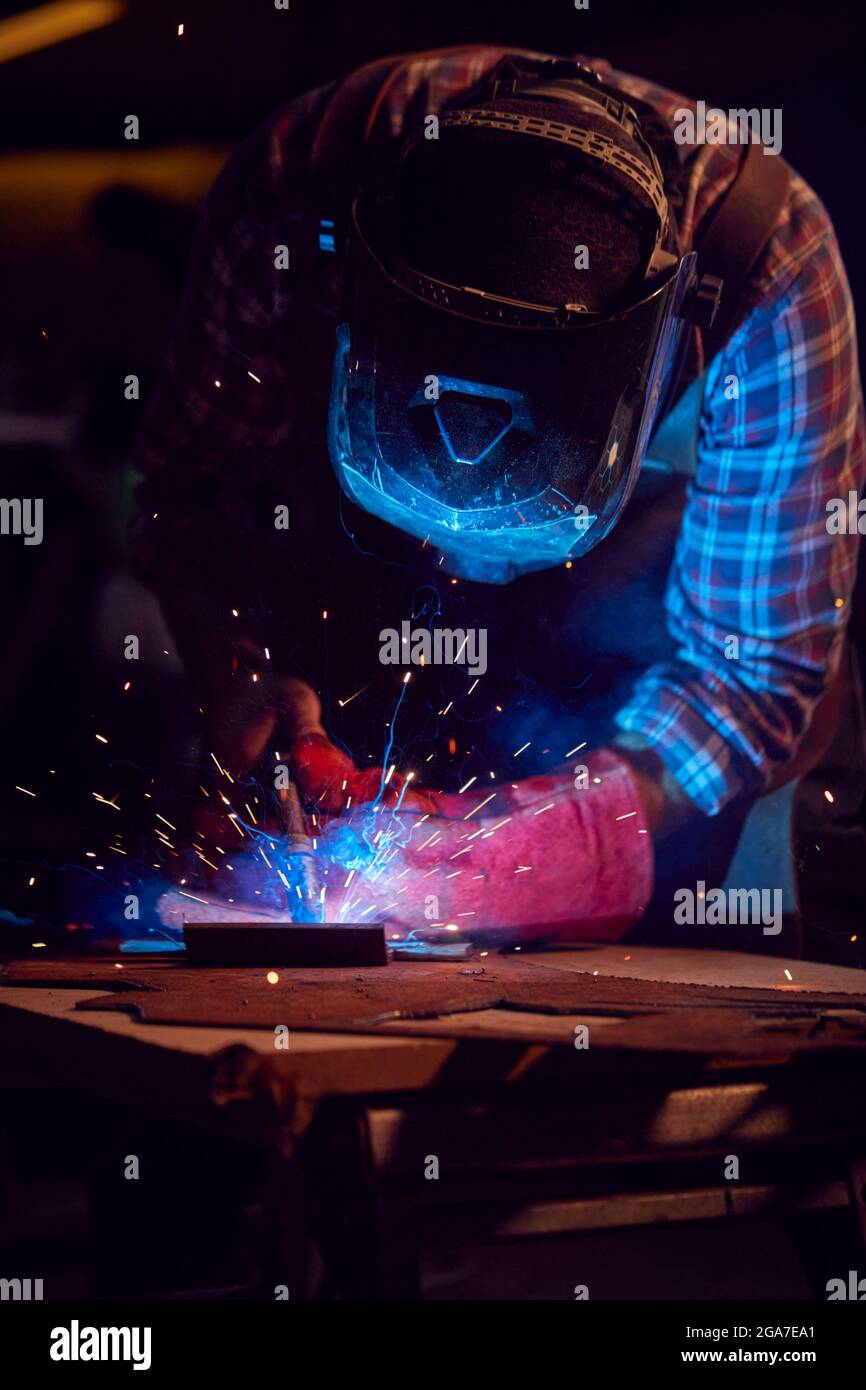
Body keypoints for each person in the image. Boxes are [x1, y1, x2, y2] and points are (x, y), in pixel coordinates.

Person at [131, 46, 865, 958]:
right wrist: (235, 669)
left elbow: (754, 680)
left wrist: (530, 854)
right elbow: (192, 486)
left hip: (647, 702)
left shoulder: (767, 269)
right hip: (354, 647)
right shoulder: (296, 184)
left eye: (518, 522)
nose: (461, 571)